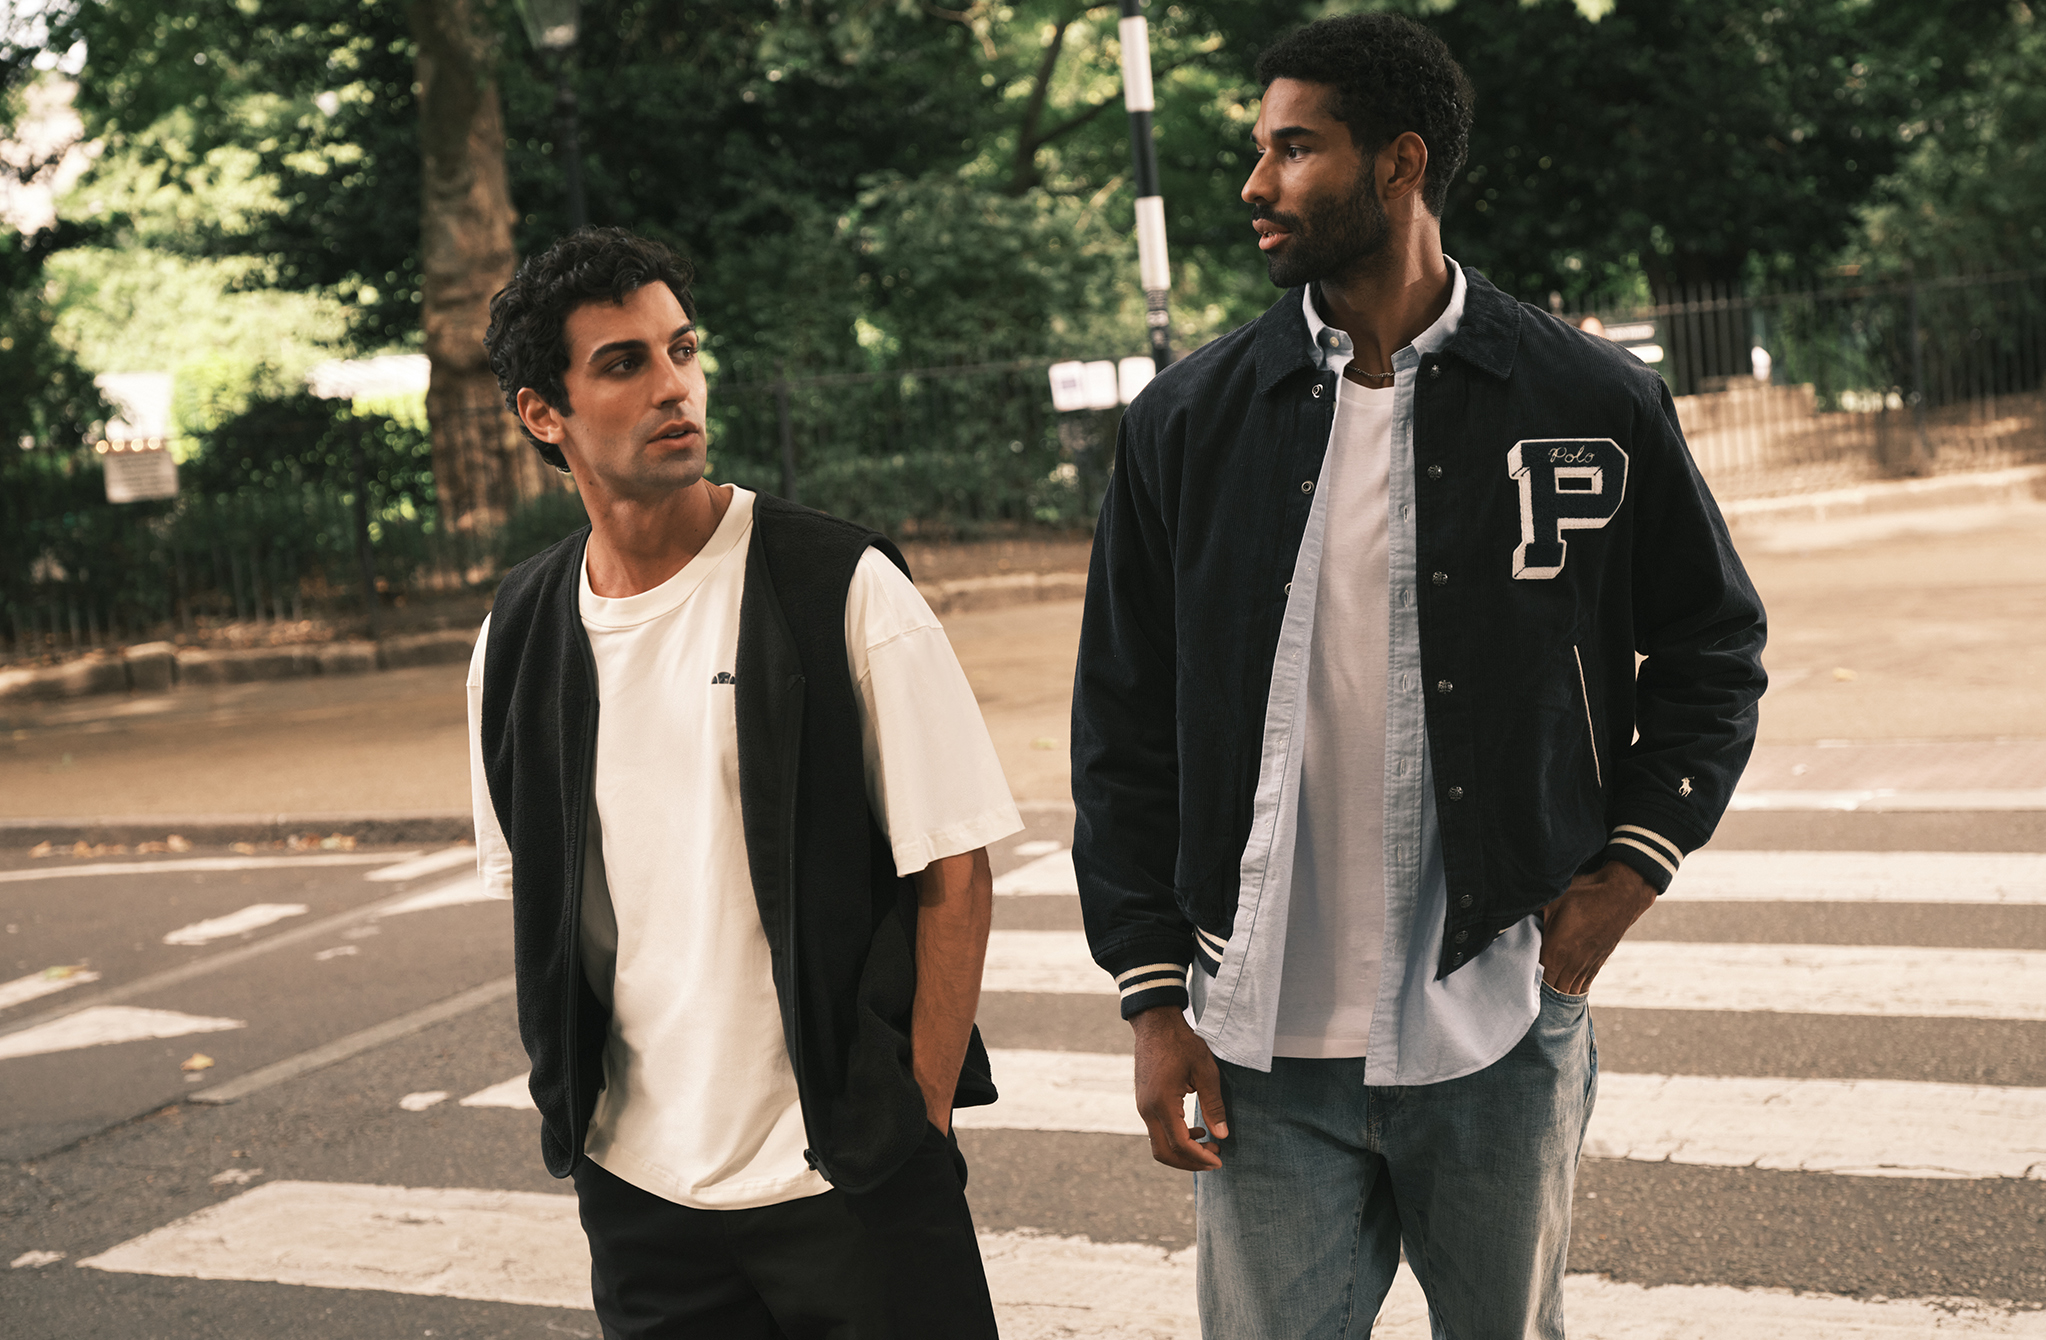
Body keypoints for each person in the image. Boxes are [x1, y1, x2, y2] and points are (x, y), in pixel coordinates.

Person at [1070, 14, 1767, 1338]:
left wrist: (1624, 876)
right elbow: (1121, 729)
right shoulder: (1189, 424)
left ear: (1399, 164)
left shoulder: (1588, 399)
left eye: (1294, 149)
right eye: (1257, 151)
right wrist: (1153, 999)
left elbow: (1710, 647)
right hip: (1258, 1036)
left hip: (1495, 1018)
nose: (1256, 185)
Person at [467, 226, 1021, 1339]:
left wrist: (911, 1120)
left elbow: (953, 864)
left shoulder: (839, 584)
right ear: (543, 412)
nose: (673, 385)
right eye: (623, 363)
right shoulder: (518, 636)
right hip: (642, 1194)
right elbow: (538, 902)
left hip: (846, 1176)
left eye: (682, 348)